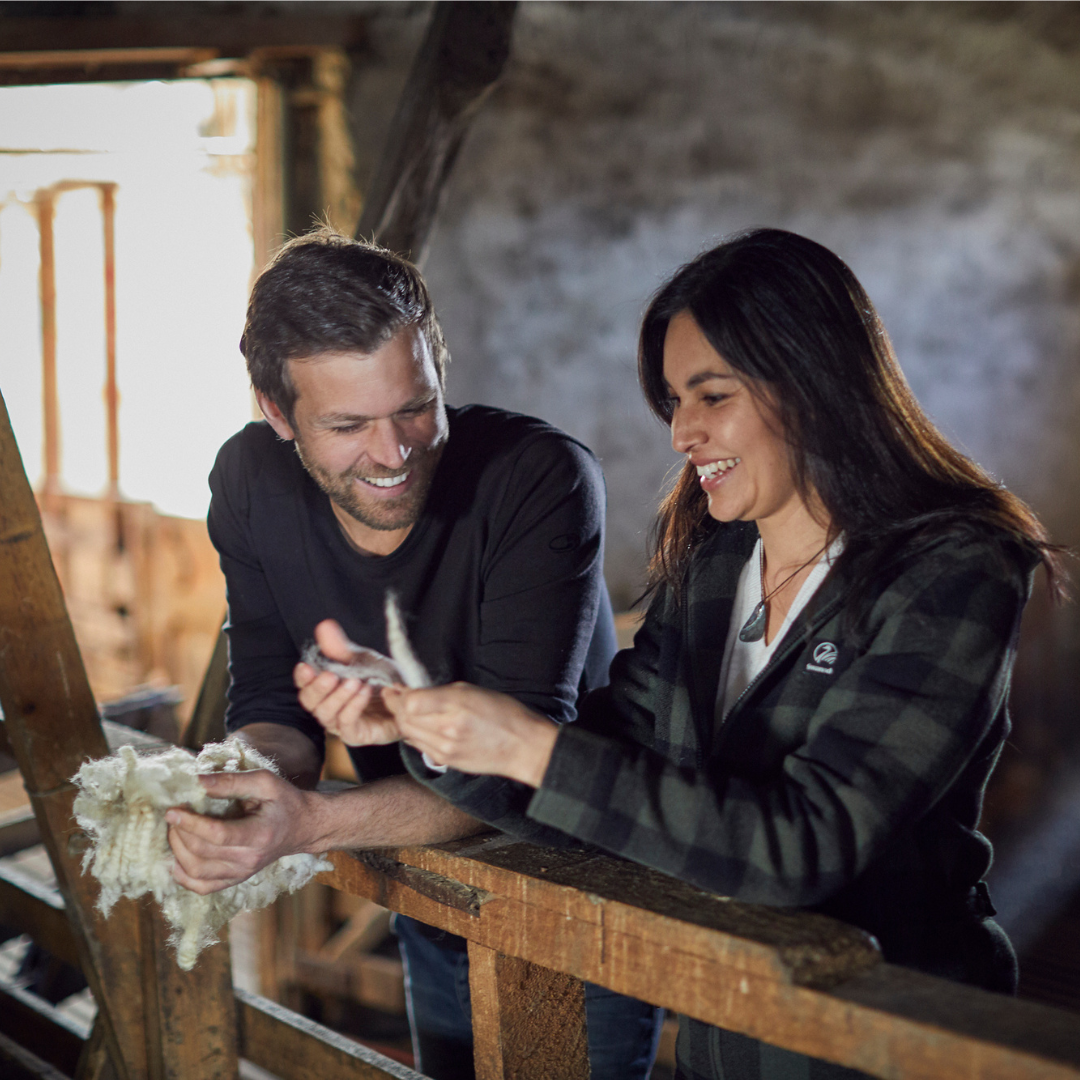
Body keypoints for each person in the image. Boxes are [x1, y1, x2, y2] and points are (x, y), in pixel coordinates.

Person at [334, 228, 1064, 1080]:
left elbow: (808, 846)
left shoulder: (952, 568)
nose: (682, 432)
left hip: (885, 1039)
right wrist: (436, 728)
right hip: (722, 1028)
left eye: (709, 396)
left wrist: (531, 747)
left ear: (812, 381)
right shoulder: (714, 560)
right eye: (674, 401)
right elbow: (612, 777)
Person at [164, 229, 662, 1080]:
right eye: (348, 425)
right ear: (275, 412)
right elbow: (272, 702)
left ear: (439, 365)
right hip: (422, 870)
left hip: (575, 885)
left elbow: (516, 763)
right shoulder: (248, 483)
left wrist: (311, 823)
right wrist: (243, 781)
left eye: (415, 408)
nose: (394, 454)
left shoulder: (538, 477)